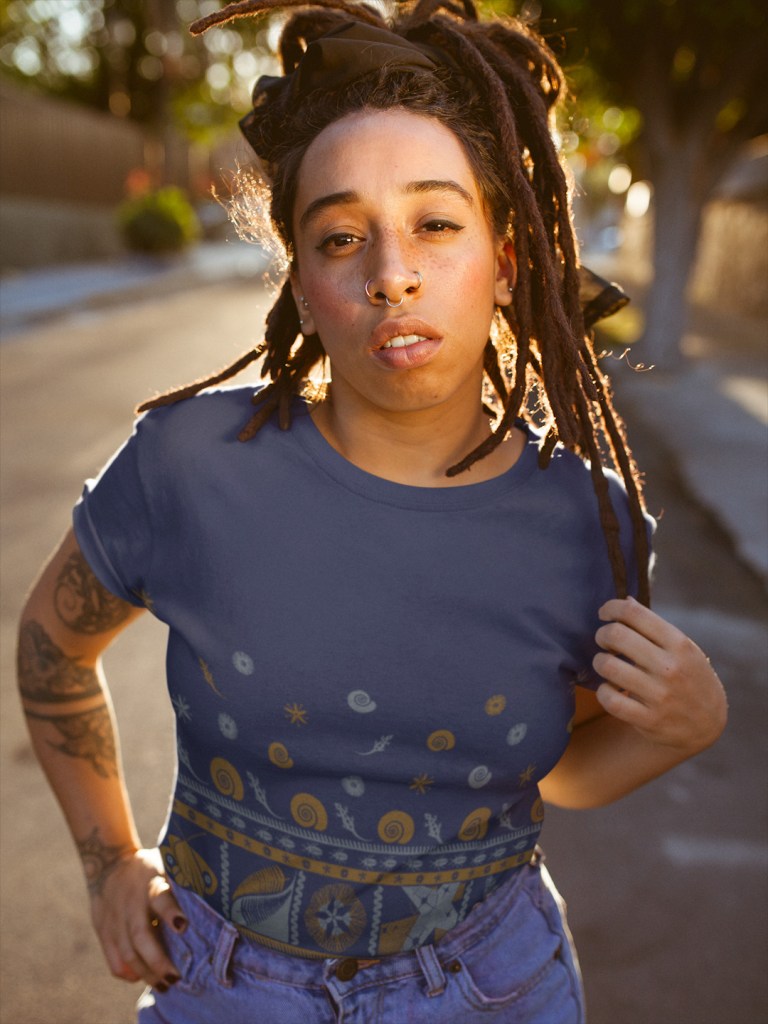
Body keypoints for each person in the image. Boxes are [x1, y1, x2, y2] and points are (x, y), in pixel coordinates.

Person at [16, 1, 727, 1021]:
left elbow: (558, 770)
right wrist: (106, 862)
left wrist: (680, 728)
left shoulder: (591, 521)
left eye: (437, 225)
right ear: (303, 284)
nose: (391, 274)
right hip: (223, 989)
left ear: (507, 260)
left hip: (490, 989)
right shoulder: (190, 463)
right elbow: (51, 647)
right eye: (341, 236)